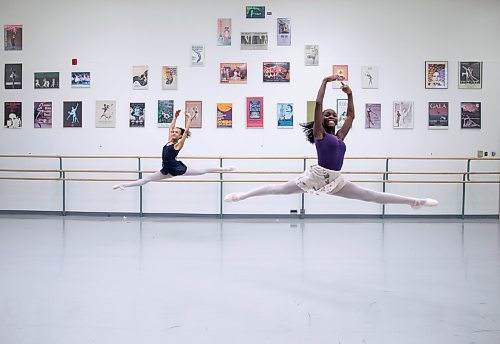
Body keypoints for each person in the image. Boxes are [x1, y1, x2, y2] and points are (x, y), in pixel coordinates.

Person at [224, 75, 438, 209]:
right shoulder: (320, 134)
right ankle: (242, 196)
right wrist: (325, 82)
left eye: (333, 114)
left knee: (370, 195)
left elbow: (352, 116)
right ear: (321, 119)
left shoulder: (339, 137)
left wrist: (350, 94)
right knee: (276, 189)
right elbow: (318, 104)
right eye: (327, 114)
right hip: (314, 178)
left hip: (335, 180)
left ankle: (414, 202)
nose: (331, 116)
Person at [113, 110, 235, 190]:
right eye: (173, 132)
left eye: (176, 132)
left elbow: (186, 131)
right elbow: (171, 126)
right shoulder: (169, 141)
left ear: (181, 136)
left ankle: (224, 168)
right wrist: (175, 117)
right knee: (146, 179)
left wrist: (189, 119)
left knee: (202, 171)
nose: (173, 132)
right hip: (166, 170)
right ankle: (124, 185)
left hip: (178, 169)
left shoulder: (177, 145)